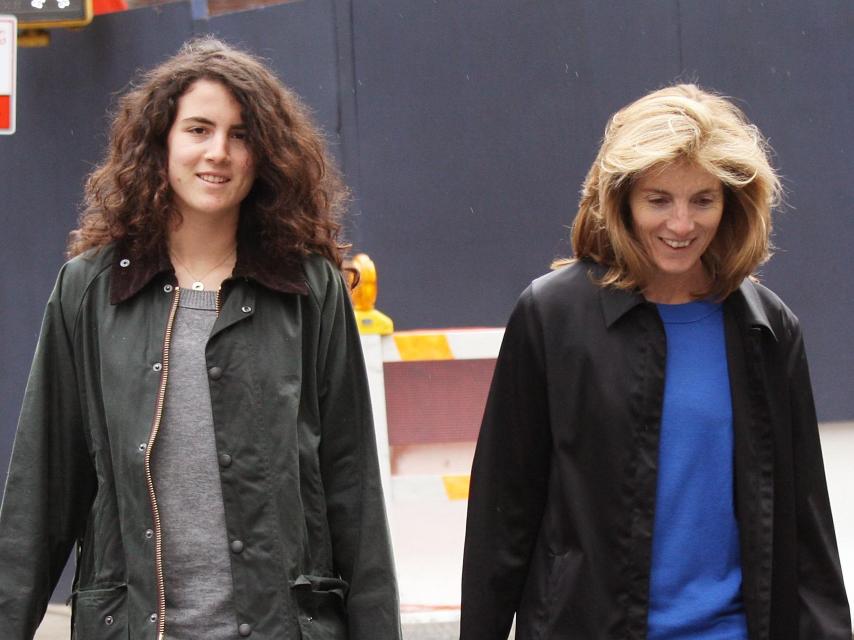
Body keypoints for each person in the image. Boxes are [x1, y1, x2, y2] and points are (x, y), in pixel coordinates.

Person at [0, 38, 400, 640]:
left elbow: (353, 492)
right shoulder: (91, 290)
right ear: (160, 142)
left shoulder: (308, 288)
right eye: (198, 129)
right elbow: (43, 489)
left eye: (241, 135)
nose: (219, 152)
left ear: (265, 155)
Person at [460, 84, 851, 639]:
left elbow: (806, 526)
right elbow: (504, 516)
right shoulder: (553, 316)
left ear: (733, 202)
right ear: (620, 200)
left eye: (704, 200)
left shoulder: (765, 327)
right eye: (658, 199)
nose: (682, 224)